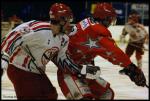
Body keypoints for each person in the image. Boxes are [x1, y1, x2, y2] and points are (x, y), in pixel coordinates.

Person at [1, 3, 100, 100]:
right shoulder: (38, 28)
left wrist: (82, 70)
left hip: (37, 71)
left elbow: (63, 61)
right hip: (19, 69)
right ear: (62, 20)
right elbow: (12, 36)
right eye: (68, 20)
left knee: (51, 95)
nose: (69, 24)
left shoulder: (64, 39)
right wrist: (3, 60)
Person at [55, 3, 147, 100]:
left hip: (83, 69)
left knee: (107, 94)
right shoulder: (97, 30)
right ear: (105, 18)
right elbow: (113, 51)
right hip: (69, 71)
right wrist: (132, 68)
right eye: (110, 19)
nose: (111, 22)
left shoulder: (87, 22)